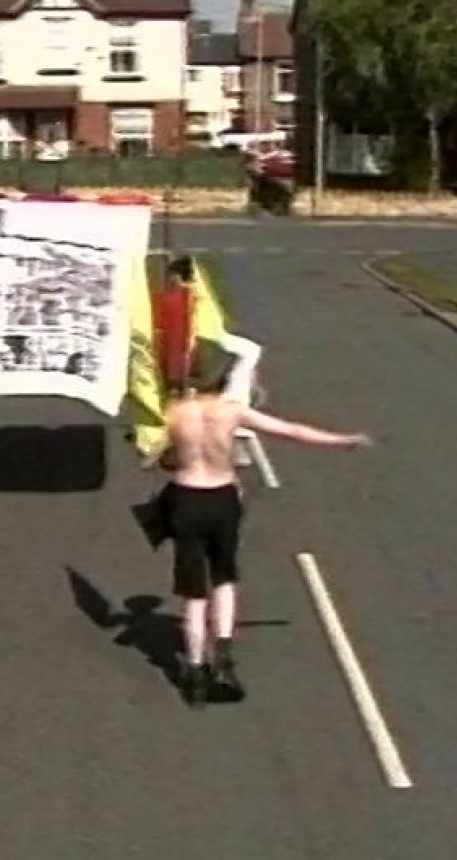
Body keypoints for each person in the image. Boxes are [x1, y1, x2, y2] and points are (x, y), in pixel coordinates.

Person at [146, 340, 372, 708]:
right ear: (220, 378)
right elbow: (291, 431)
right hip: (221, 498)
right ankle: (223, 652)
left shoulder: (175, 413)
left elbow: (155, 458)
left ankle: (195, 671)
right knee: (223, 578)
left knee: (193, 593)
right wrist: (342, 440)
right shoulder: (232, 412)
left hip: (185, 499)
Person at [166, 256, 267, 468]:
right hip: (207, 344)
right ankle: (235, 416)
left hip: (204, 343)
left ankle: (237, 403)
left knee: (248, 355)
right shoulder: (192, 291)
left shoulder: (179, 295)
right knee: (247, 358)